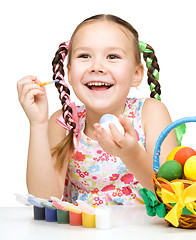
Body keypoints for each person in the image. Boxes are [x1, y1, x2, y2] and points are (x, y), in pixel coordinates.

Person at [17, 14, 177, 206]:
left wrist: (131, 154)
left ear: (137, 74)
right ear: (68, 73)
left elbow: (172, 194)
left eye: (113, 56)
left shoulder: (150, 113)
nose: (97, 66)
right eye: (84, 56)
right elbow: (44, 197)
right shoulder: (63, 123)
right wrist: (37, 123)